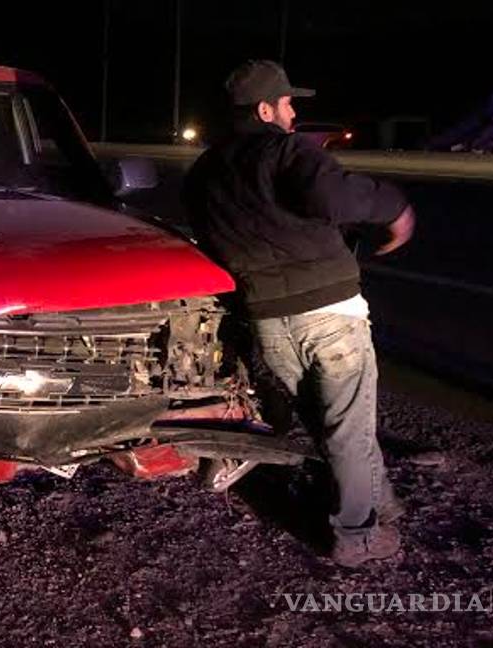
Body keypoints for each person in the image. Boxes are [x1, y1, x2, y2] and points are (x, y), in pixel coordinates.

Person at [181, 60, 416, 568]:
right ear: (265, 110)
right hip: (330, 316)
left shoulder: (204, 174)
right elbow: (333, 195)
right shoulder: (285, 151)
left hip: (270, 323)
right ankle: (356, 536)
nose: (293, 115)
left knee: (334, 424)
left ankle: (381, 501)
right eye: (288, 104)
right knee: (347, 428)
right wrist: (395, 207)